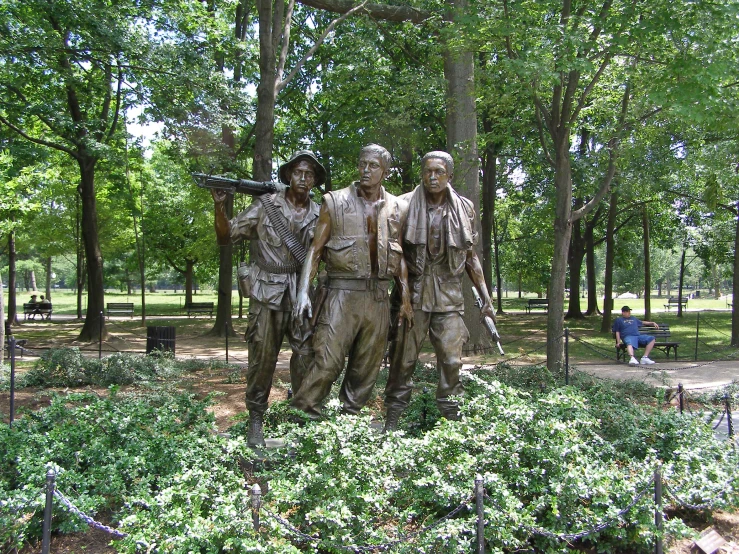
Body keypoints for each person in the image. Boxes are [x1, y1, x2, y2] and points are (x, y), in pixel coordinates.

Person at [211, 150, 325, 446]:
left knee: (305, 357)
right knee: (262, 358)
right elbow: (227, 236)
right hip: (267, 292)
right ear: (288, 175)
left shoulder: (320, 212)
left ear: (315, 180)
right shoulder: (265, 205)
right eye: (298, 172)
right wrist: (219, 208)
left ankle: (302, 418)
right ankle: (256, 421)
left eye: (309, 174)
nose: (303, 178)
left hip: (302, 291)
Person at [291, 144, 413, 419]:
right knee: (327, 360)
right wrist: (303, 293)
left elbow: (400, 254)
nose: (366, 170)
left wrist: (404, 299)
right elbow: (316, 250)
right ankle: (303, 415)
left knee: (366, 367)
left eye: (373, 166)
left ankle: (350, 422)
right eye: (363, 164)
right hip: (341, 293)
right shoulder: (334, 201)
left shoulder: (398, 207)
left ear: (385, 172)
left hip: (378, 296)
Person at [383, 151, 495, 431]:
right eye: (428, 171)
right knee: (403, 359)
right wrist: (405, 297)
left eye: (439, 172)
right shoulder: (404, 204)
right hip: (414, 292)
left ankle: (451, 423)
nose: (433, 177)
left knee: (451, 359)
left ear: (450, 176)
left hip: (449, 293)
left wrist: (485, 296)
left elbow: (470, 257)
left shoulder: (465, 208)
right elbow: (396, 257)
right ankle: (392, 421)